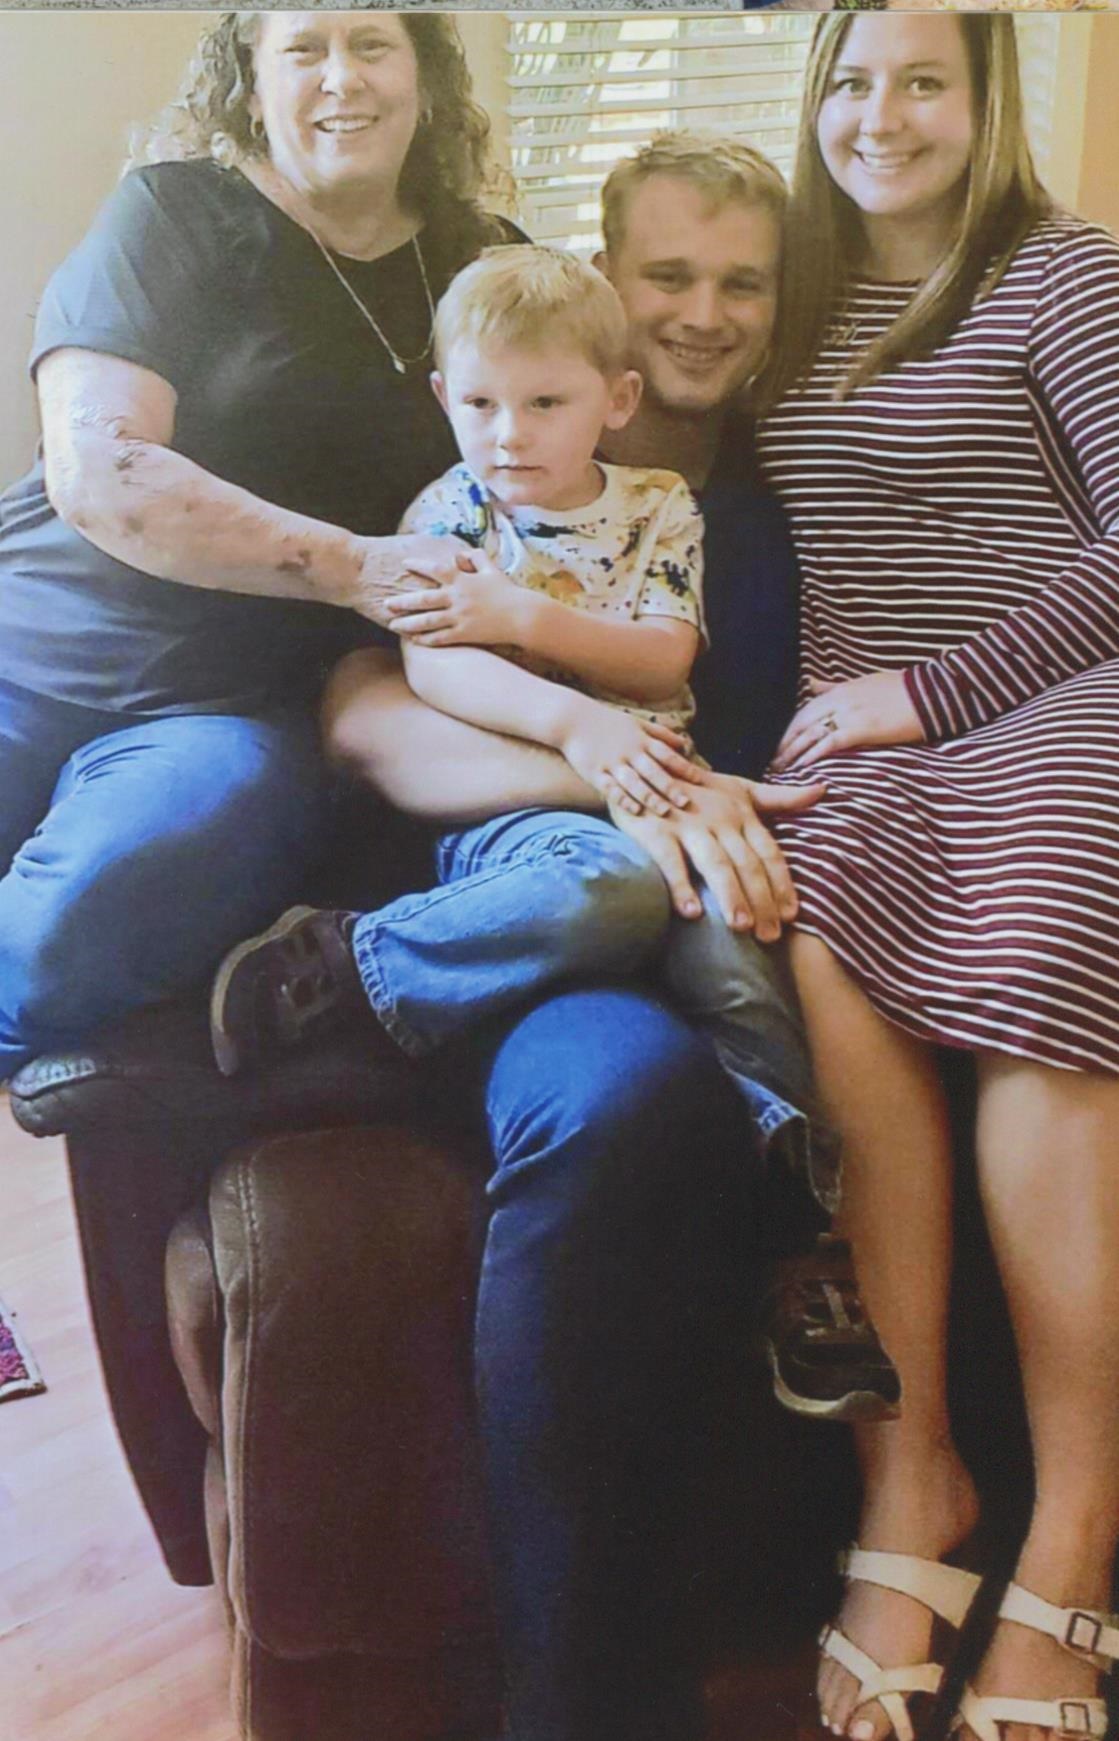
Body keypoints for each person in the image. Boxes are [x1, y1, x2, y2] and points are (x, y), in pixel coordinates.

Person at [748, 15, 1119, 1741]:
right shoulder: (789, 293)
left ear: (983, 102)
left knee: (1041, 951)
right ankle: (912, 1486)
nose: (874, 115)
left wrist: (930, 690)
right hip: (867, 730)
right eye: (845, 78)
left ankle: (1072, 1546)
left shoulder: (1062, 277)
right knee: (817, 942)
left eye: (918, 80)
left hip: (1060, 696)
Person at [209, 243, 821, 1198]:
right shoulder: (447, 513)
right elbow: (434, 668)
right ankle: (349, 967)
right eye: (480, 403)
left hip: (654, 785)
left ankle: (781, 1174)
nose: (508, 435)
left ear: (616, 399)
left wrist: (523, 618)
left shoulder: (658, 506)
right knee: (607, 884)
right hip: (511, 806)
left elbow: (664, 656)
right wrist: (577, 728)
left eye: (544, 403)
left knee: (735, 947)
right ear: (443, 397)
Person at [0, 9, 507, 1081]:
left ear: (424, 73)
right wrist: (357, 566)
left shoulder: (488, 265)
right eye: (304, 49)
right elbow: (100, 471)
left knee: (60, 943)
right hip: (31, 647)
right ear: (250, 80)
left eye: (372, 44)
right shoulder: (172, 214)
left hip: (228, 712)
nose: (341, 78)